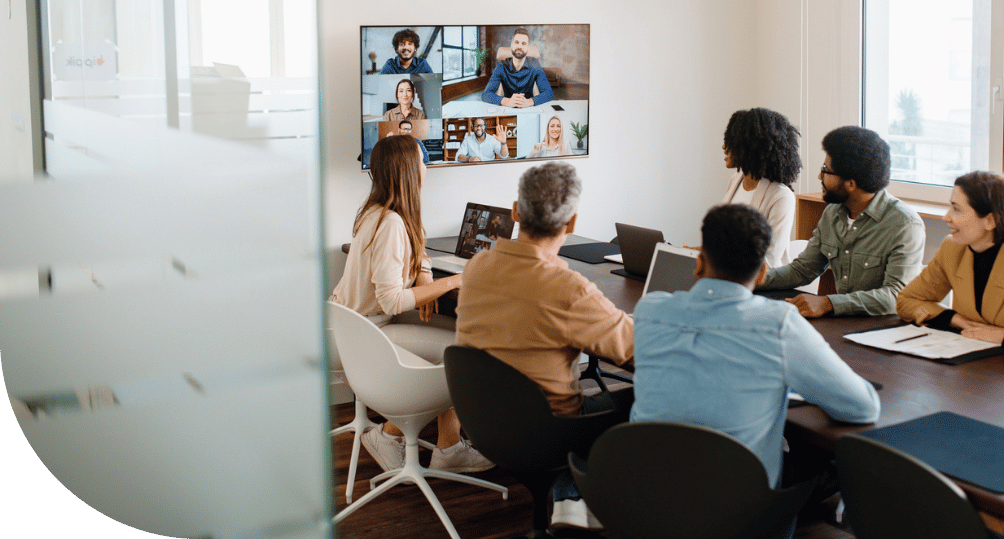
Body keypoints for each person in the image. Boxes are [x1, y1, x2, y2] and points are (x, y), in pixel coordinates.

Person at [632, 204, 880, 537]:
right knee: (827, 464)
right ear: (763, 273)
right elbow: (862, 407)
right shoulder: (779, 324)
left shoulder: (649, 309)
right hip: (737, 511)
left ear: (699, 263)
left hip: (645, 495)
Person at [456, 162, 633, 531]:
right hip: (547, 432)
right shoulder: (567, 289)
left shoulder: (476, 267)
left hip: (482, 423)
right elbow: (634, 348)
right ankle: (586, 497)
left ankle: (570, 496)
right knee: (636, 397)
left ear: (515, 212)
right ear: (572, 223)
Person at [329, 135, 491, 474]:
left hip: (358, 325)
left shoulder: (383, 212)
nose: (427, 168)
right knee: (463, 357)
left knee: (463, 336)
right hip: (367, 331)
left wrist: (425, 279)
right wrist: (455, 281)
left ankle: (448, 446)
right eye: (422, 161)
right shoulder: (390, 223)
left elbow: (419, 252)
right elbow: (391, 301)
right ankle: (392, 437)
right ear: (407, 170)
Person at [760, 126, 925, 318]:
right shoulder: (833, 212)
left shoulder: (905, 224)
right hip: (843, 322)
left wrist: (828, 303)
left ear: (851, 184)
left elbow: (895, 297)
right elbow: (803, 270)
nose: (819, 177)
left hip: (884, 327)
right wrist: (757, 279)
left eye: (825, 170)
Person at [897, 171, 1004, 344]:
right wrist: (953, 319)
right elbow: (907, 301)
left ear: (990, 221)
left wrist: (1001, 336)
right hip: (968, 350)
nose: (946, 217)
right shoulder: (952, 248)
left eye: (956, 208)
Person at [721, 107, 801, 267]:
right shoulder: (735, 180)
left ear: (750, 147)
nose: (724, 147)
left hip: (761, 278)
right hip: (725, 273)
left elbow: (768, 259)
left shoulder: (781, 196)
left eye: (731, 141)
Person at [481, 28, 554, 107]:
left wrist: (529, 101)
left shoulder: (534, 64)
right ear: (511, 45)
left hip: (527, 108)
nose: (519, 46)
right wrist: (507, 101)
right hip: (508, 108)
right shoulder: (501, 66)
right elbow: (486, 94)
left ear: (527, 47)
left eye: (524, 43)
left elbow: (549, 93)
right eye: (516, 42)